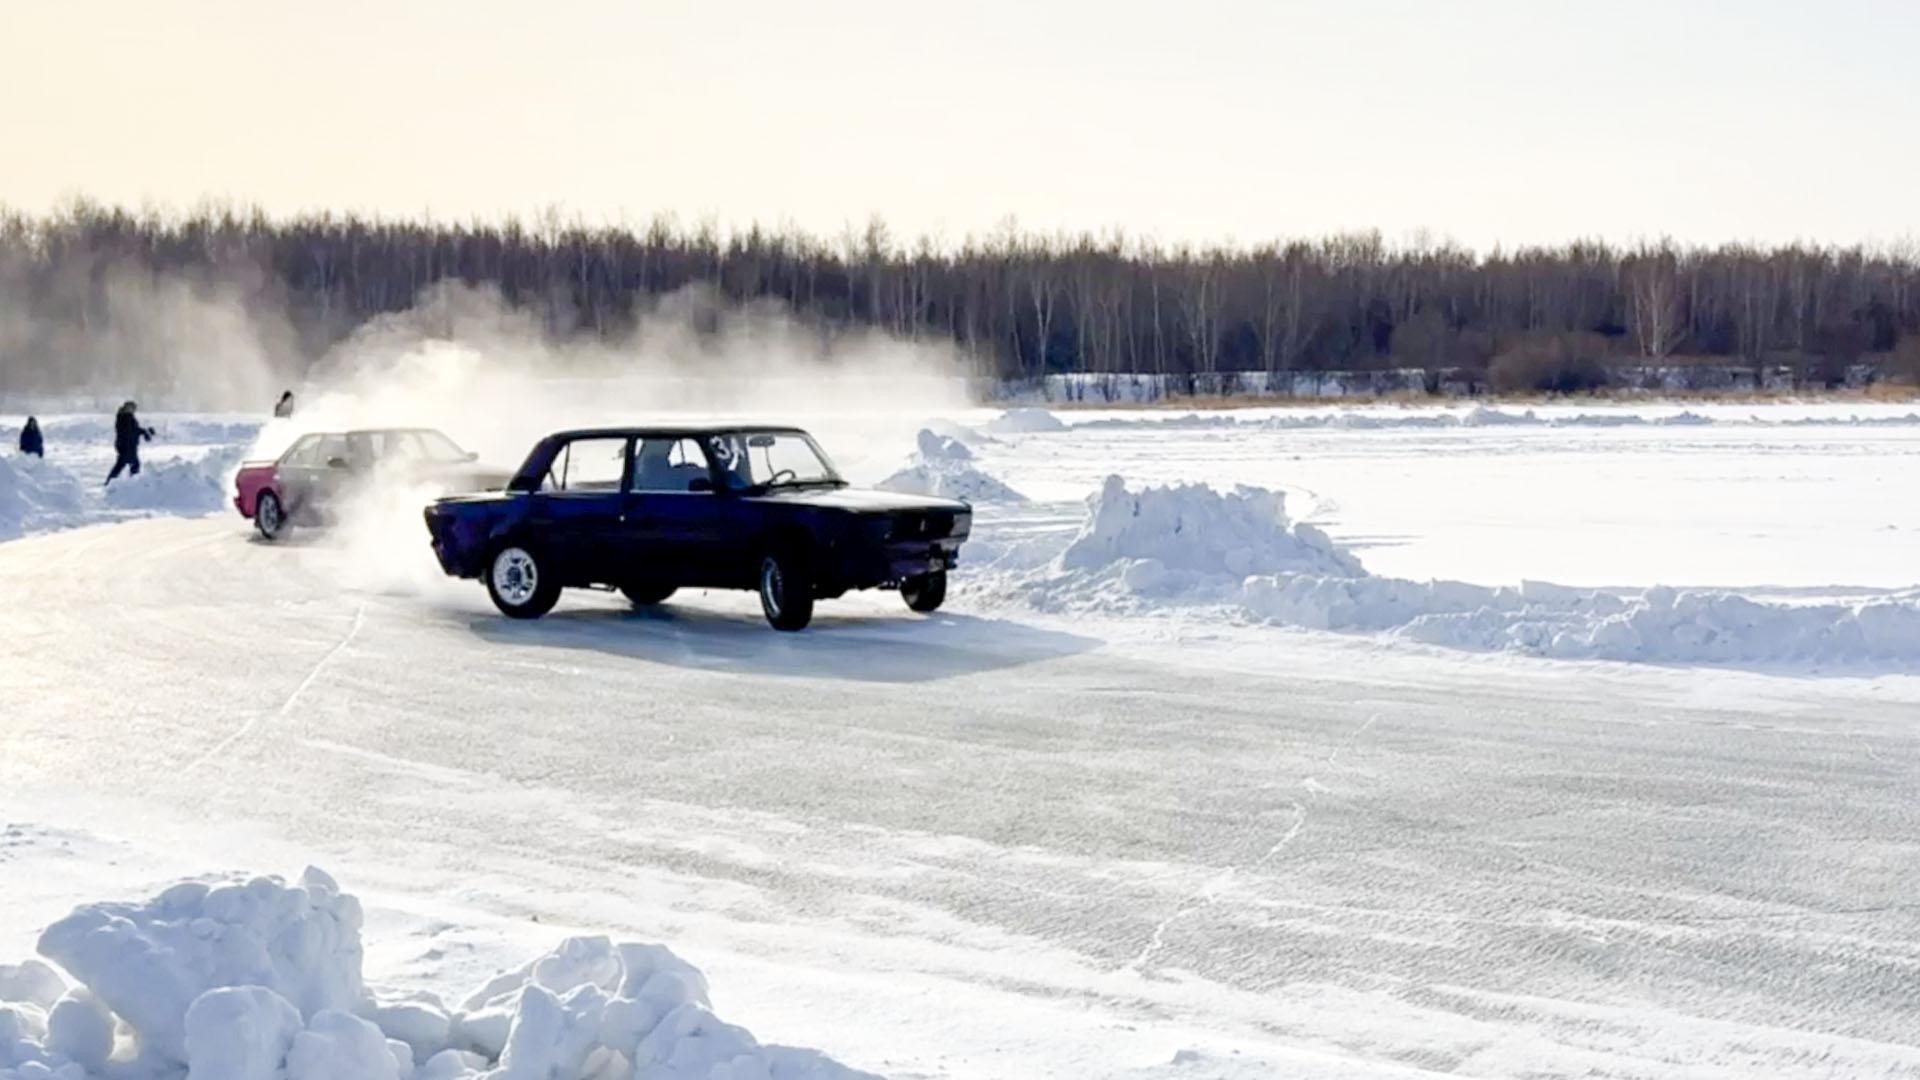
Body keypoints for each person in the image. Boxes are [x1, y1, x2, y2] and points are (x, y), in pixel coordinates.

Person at [105, 401, 154, 484]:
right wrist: (144, 432)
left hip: (128, 445)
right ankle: (132, 484)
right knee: (132, 465)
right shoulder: (124, 417)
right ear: (127, 407)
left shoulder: (127, 417)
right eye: (132, 408)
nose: (133, 410)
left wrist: (145, 431)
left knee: (122, 465)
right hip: (126, 445)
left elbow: (134, 430)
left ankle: (111, 483)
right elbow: (130, 431)